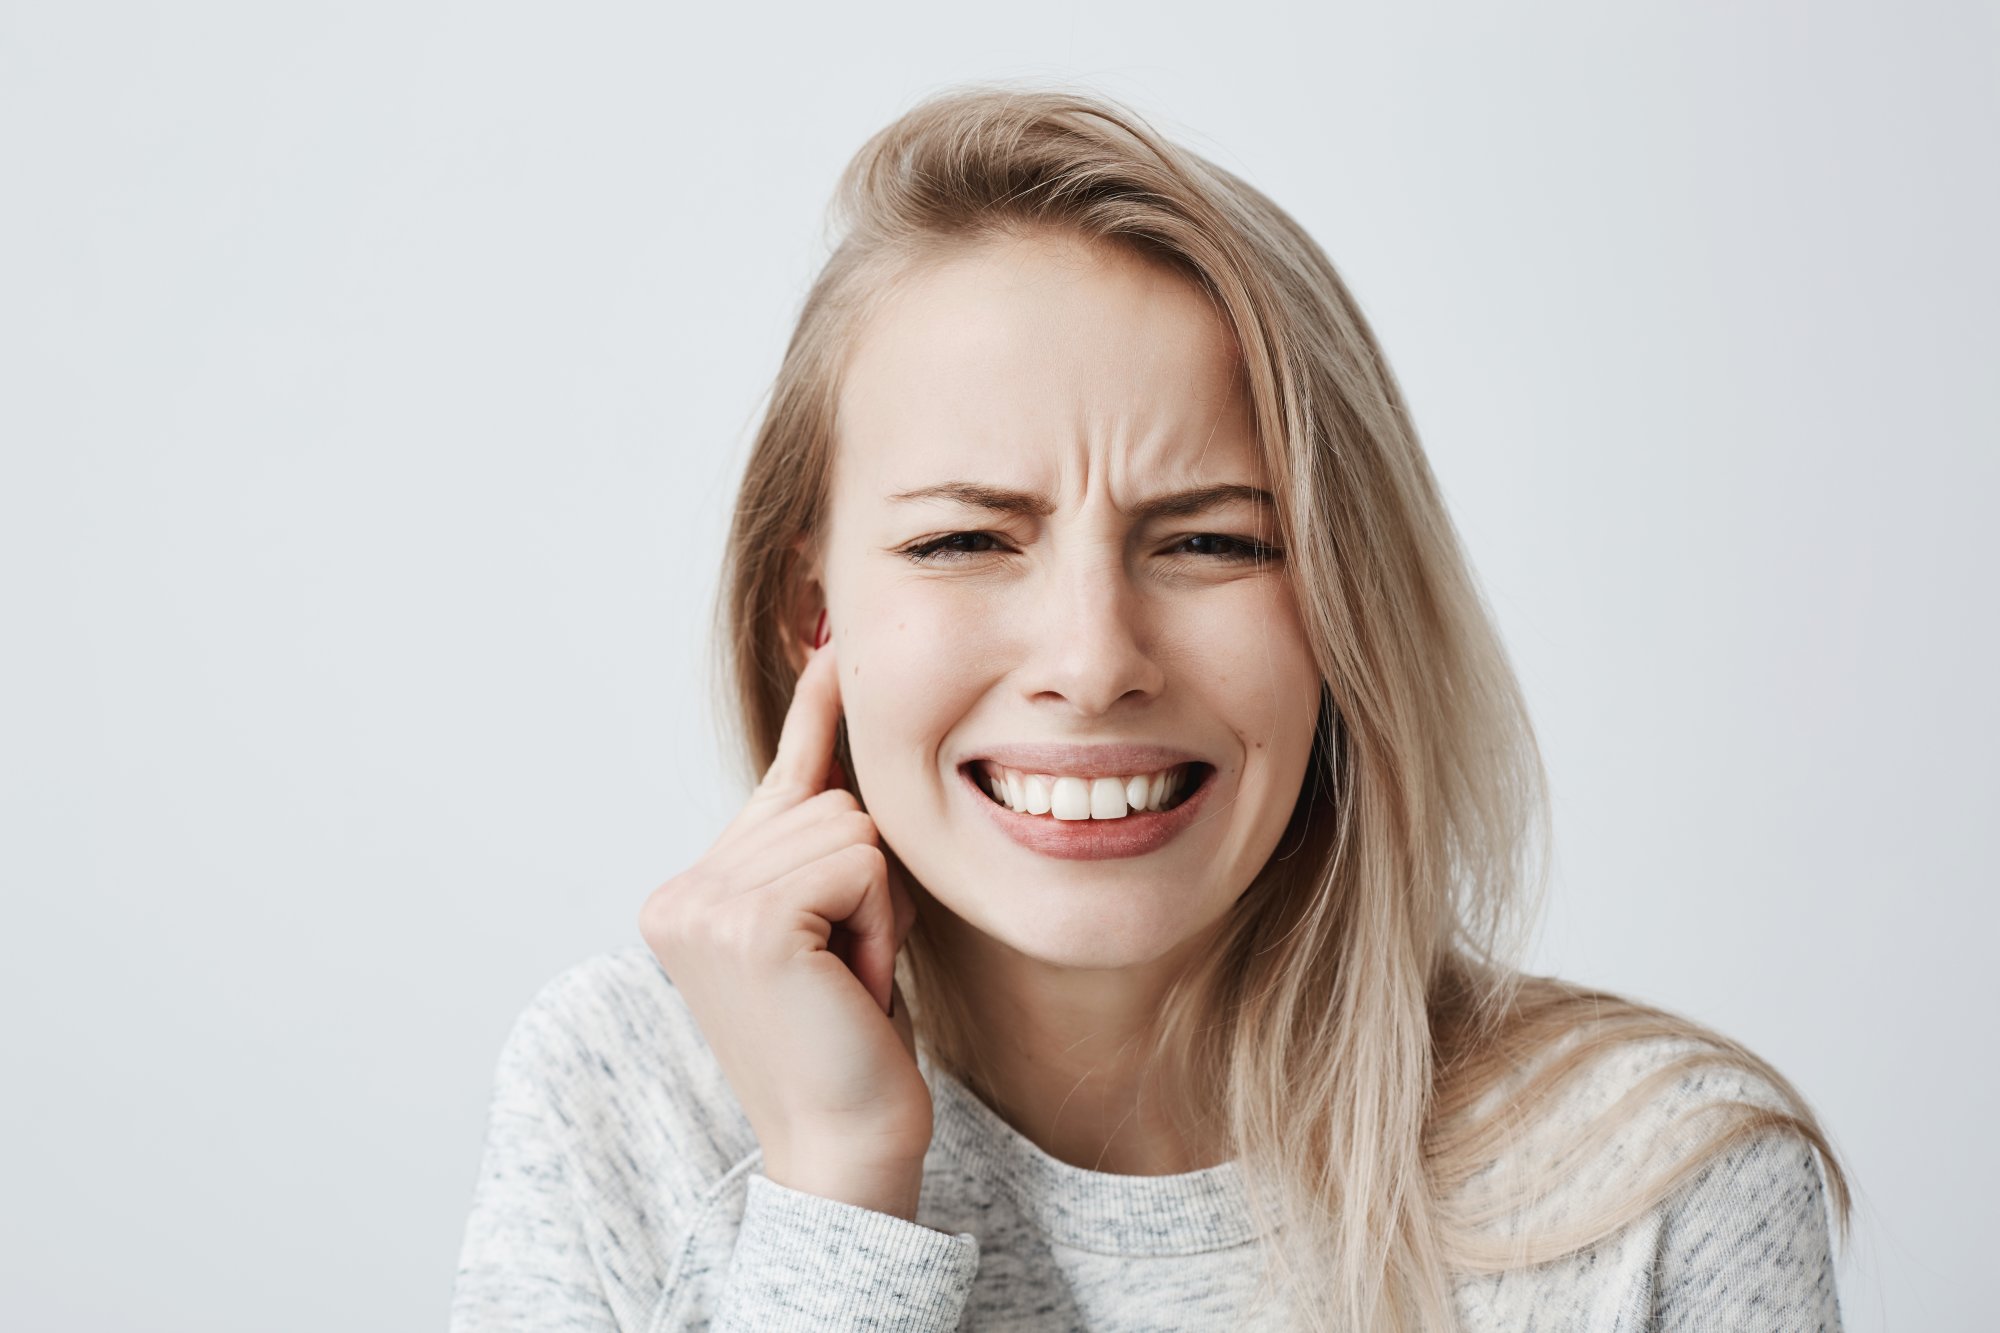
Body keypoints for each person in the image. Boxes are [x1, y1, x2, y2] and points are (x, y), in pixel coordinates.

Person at [449, 84, 1851, 1332]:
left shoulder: (1659, 1194)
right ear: (813, 614)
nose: (1092, 659)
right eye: (964, 540)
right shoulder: (625, 1099)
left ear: (1347, 610)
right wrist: (835, 1187)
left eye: (1212, 540)